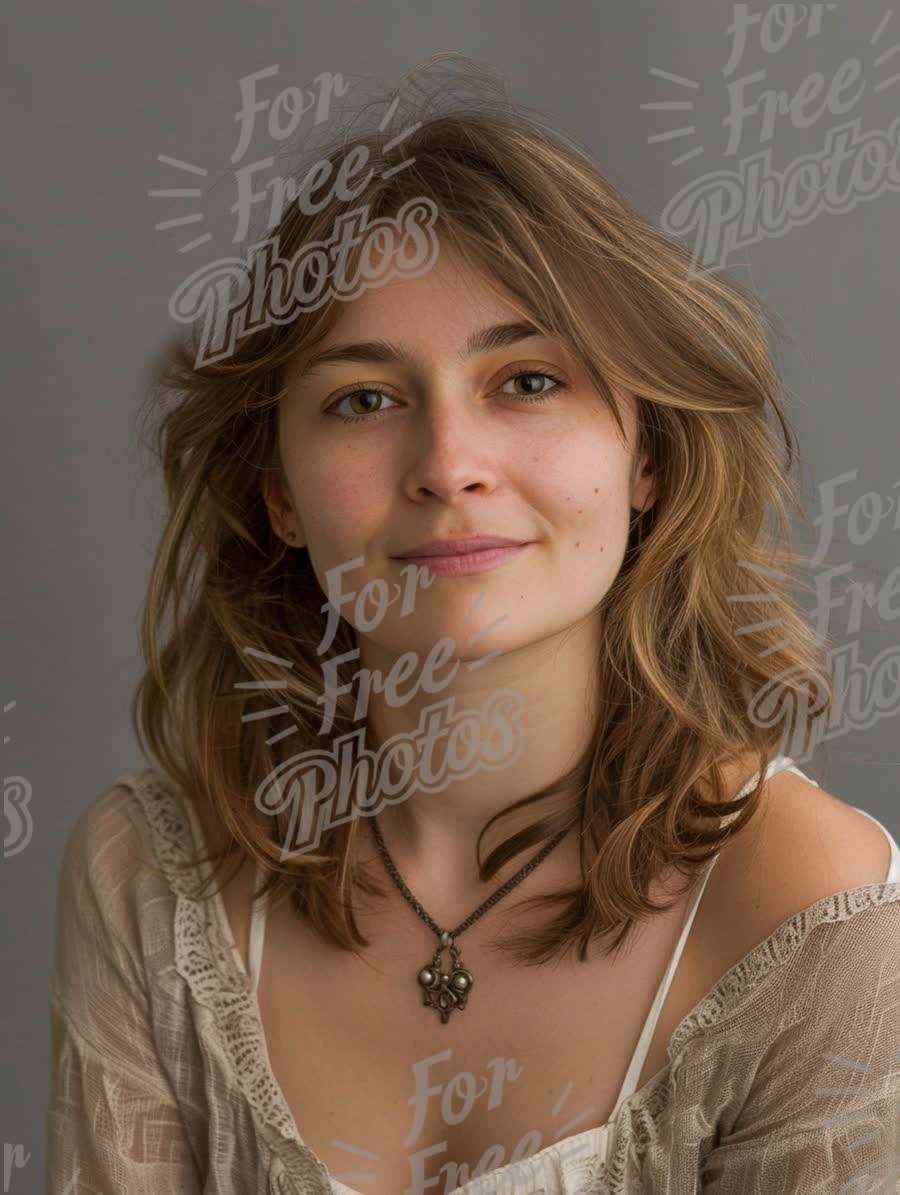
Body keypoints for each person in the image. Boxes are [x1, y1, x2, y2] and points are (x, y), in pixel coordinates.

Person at [47, 58, 900, 1195]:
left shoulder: (808, 911)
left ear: (645, 454)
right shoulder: (148, 876)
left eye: (530, 381)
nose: (449, 466)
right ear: (279, 493)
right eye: (364, 399)